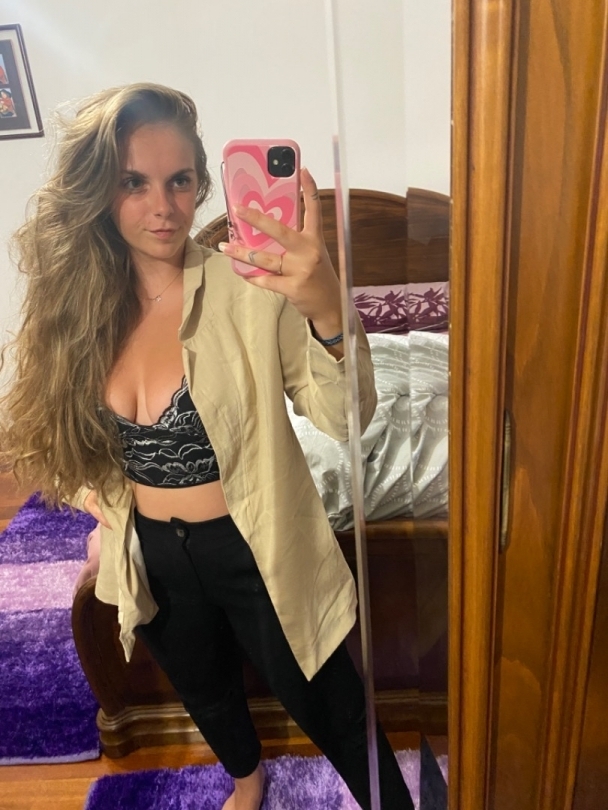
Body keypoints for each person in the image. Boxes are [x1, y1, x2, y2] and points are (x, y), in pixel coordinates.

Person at [0, 83, 414, 810]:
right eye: (134, 182)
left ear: (202, 184)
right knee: (204, 687)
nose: (162, 206)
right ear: (99, 189)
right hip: (154, 552)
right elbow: (52, 432)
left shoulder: (252, 288)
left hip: (256, 545)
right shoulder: (78, 307)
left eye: (180, 180)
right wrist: (104, 509)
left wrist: (325, 303)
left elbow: (346, 418)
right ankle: (248, 780)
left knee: (332, 706)